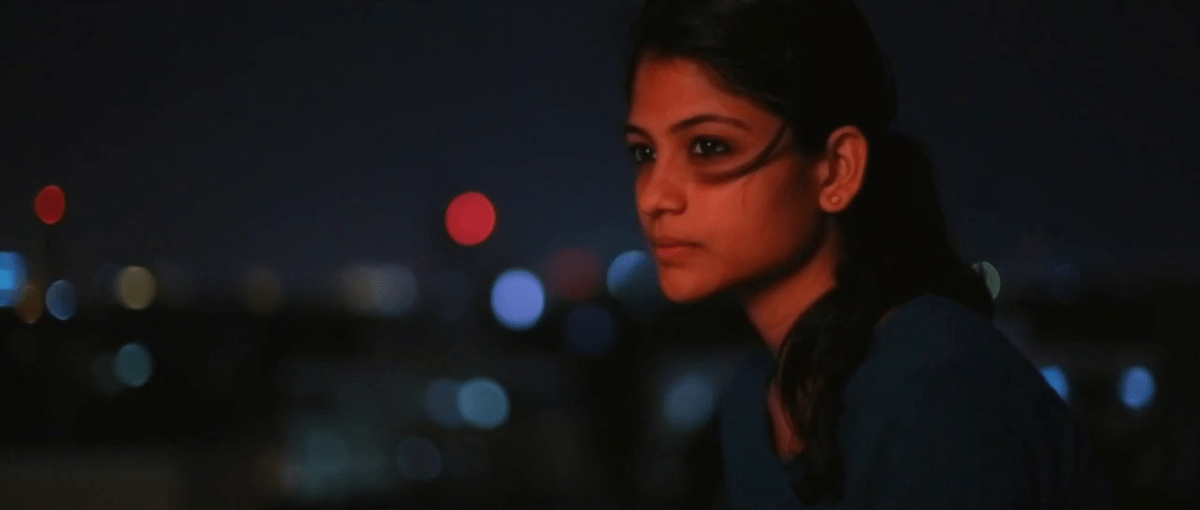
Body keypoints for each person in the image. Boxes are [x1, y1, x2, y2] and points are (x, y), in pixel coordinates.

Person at [621, 0, 1116, 508]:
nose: (654, 196)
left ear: (837, 169)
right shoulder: (754, 401)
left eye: (709, 146)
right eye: (644, 152)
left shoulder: (929, 384)